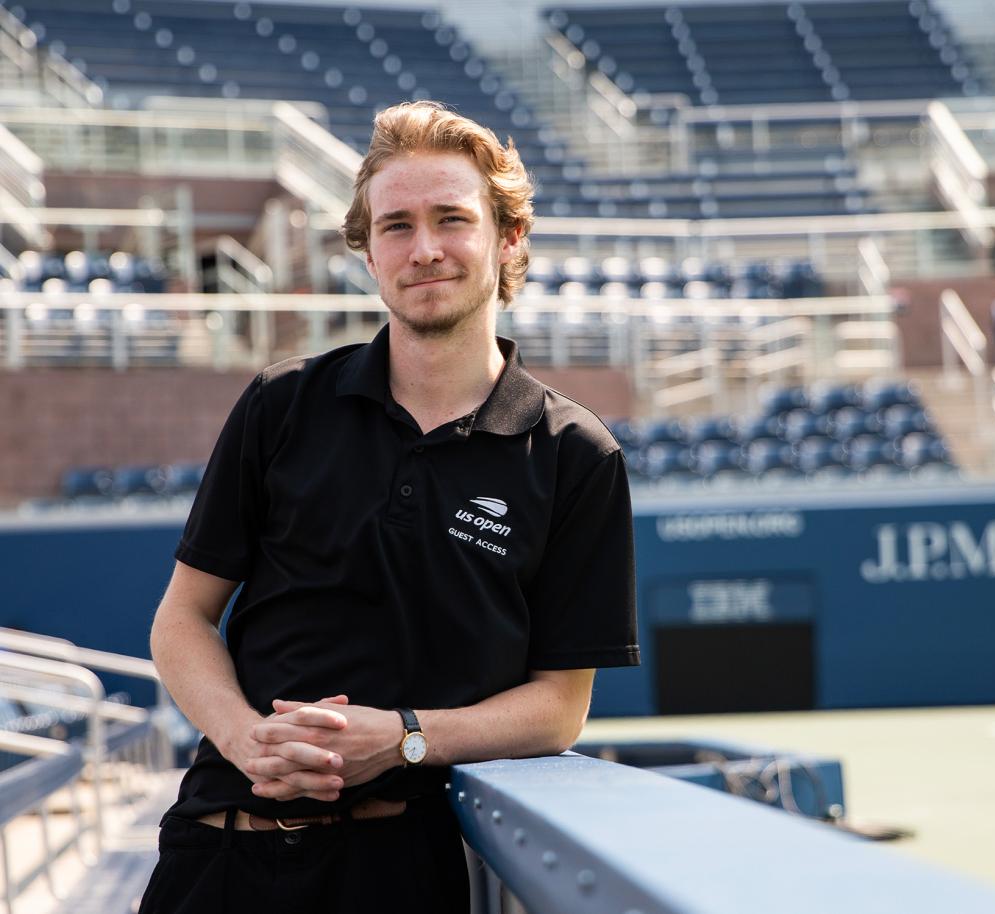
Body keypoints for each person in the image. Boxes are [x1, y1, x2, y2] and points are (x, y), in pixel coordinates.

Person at [139, 100, 640, 913]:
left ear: (509, 239)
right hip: (217, 847)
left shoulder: (574, 454)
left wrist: (404, 738)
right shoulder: (282, 404)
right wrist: (246, 739)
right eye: (397, 226)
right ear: (368, 251)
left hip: (398, 867)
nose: (426, 249)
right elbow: (182, 619)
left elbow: (560, 705)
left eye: (452, 219)